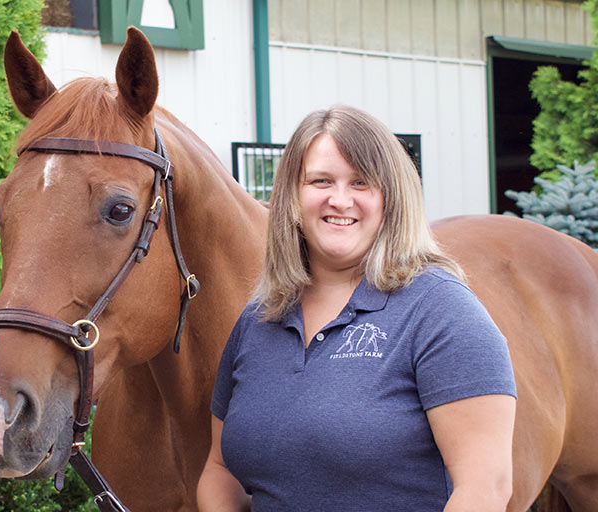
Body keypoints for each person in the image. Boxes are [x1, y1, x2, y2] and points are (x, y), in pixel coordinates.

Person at [196, 105, 517, 511]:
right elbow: (220, 468)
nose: (340, 199)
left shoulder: (442, 311)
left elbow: (486, 489)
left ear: (391, 198)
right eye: (321, 180)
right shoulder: (259, 318)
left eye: (361, 182)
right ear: (293, 196)